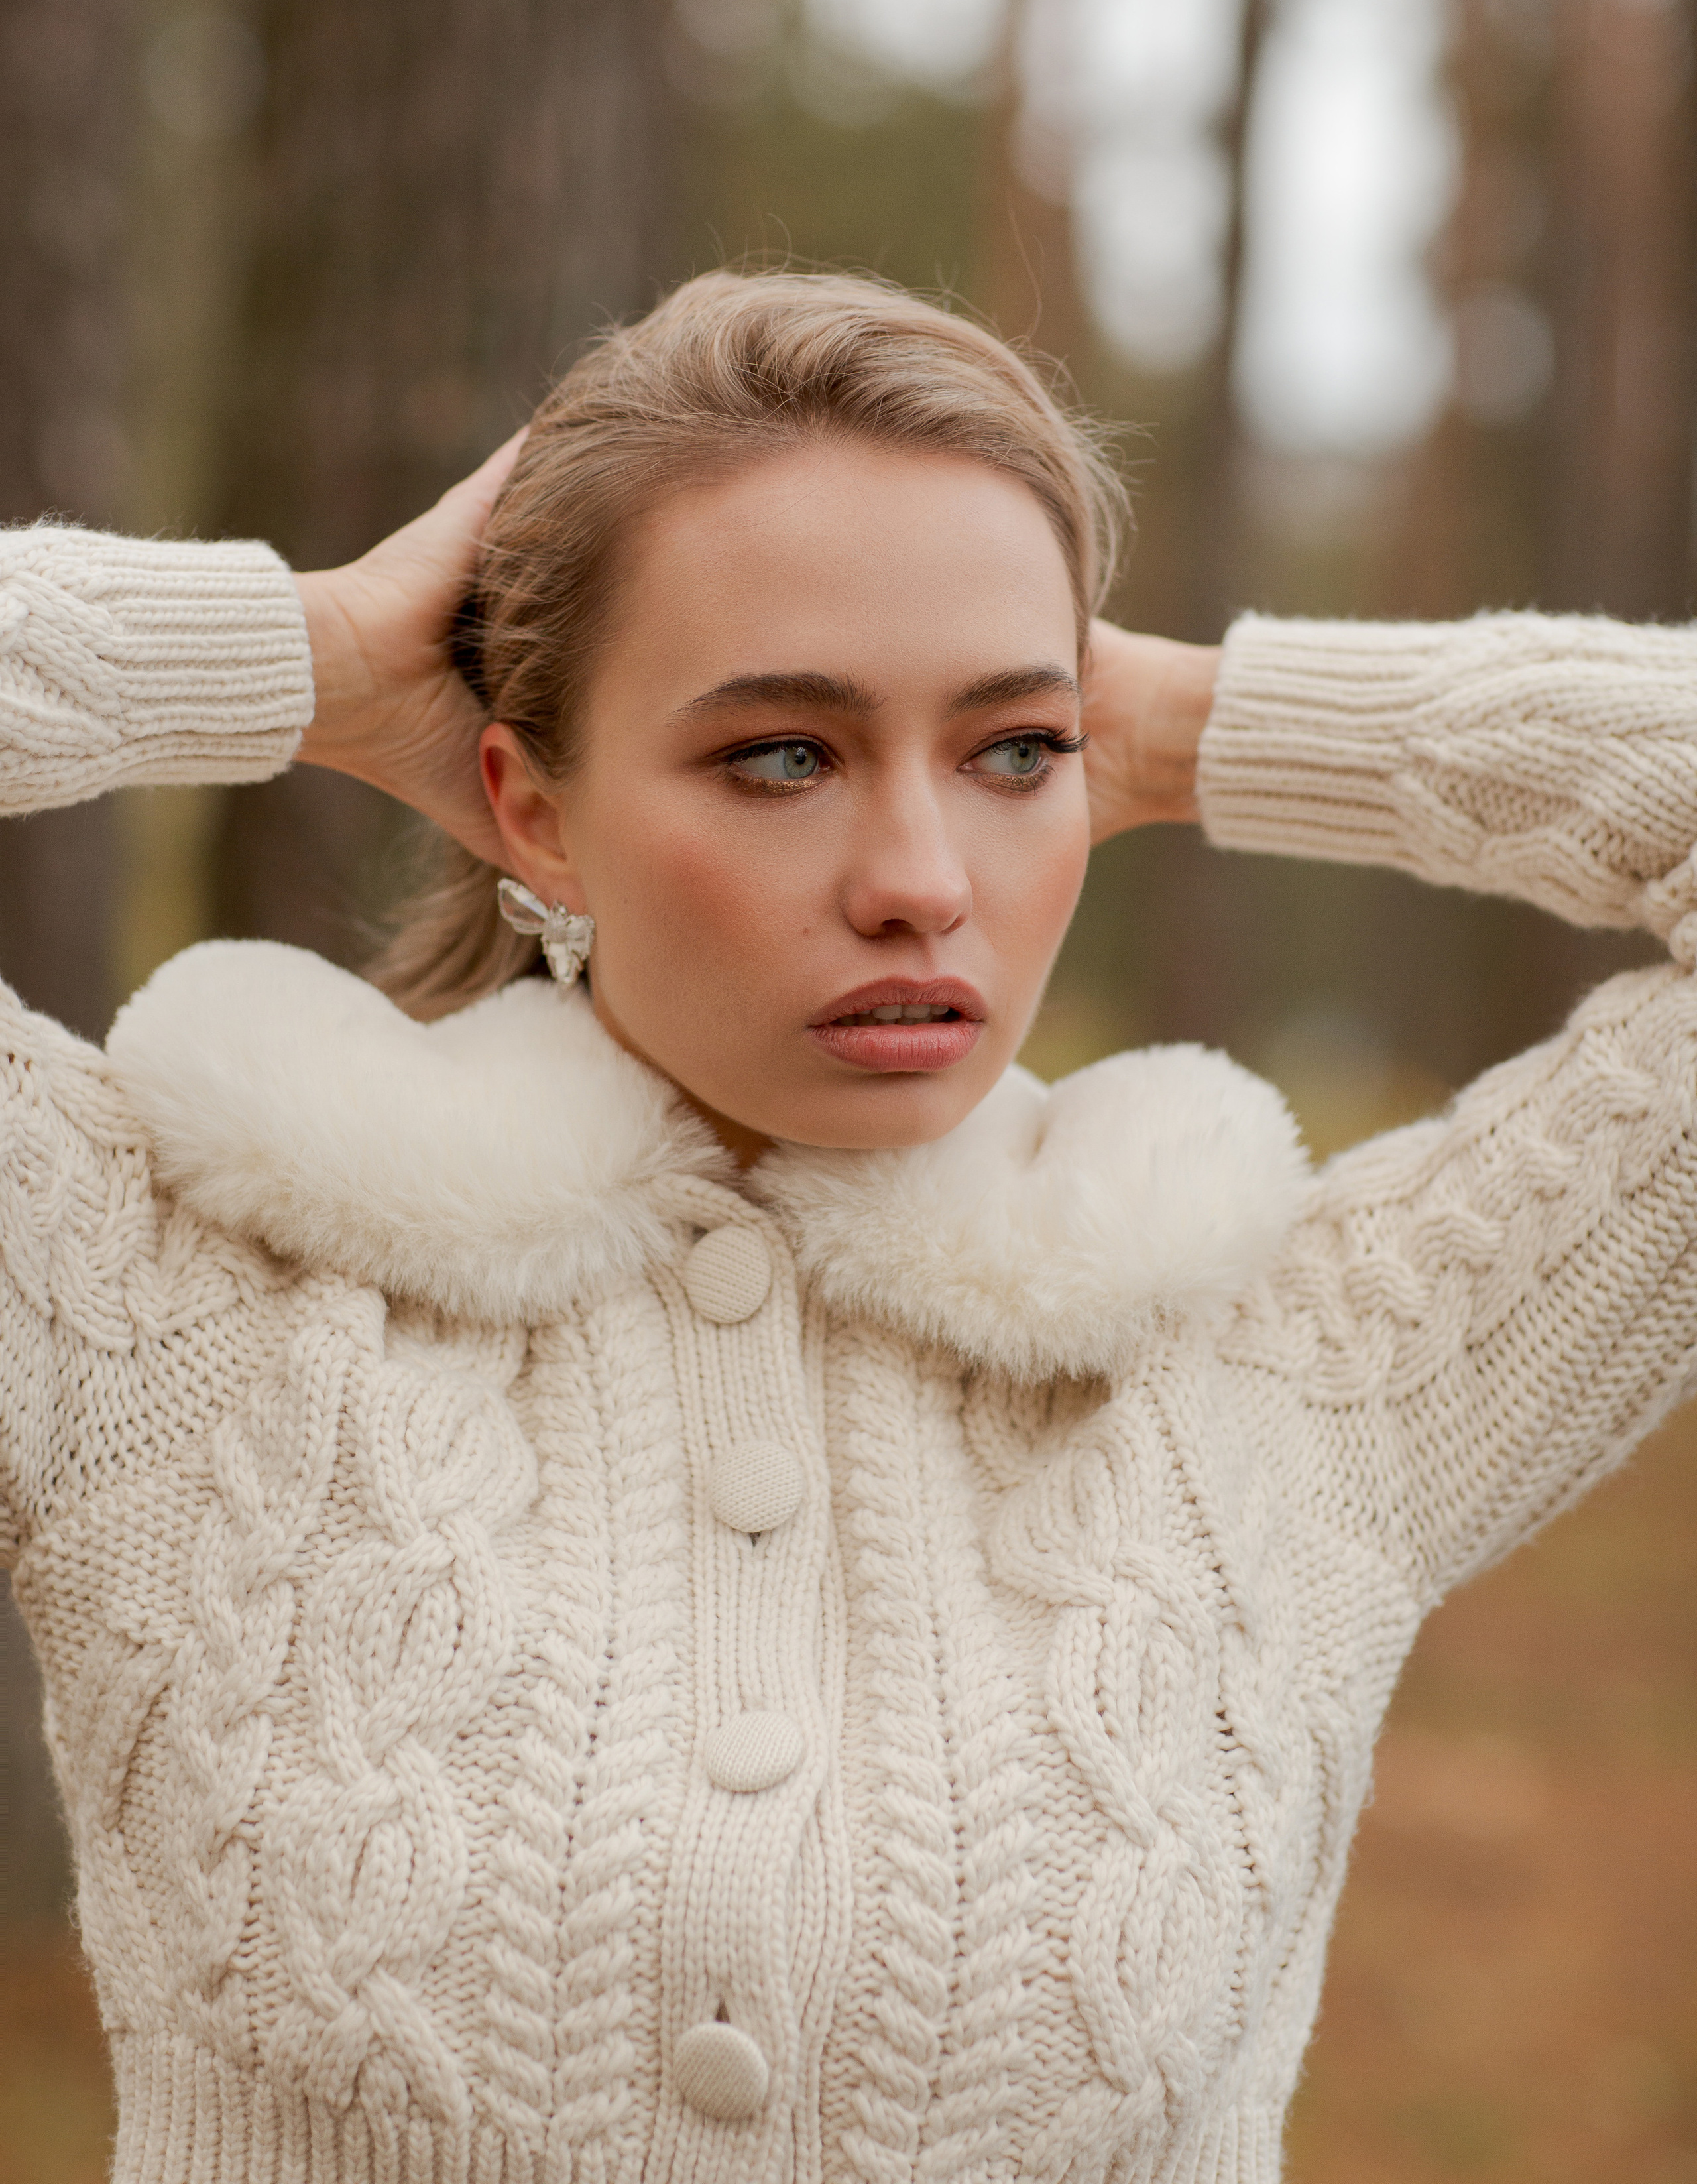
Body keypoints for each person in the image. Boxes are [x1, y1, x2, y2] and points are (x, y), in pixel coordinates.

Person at [3, 267, 1695, 2184]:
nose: (921, 880)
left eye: (1013, 754)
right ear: (530, 812)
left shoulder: (1300, 1365)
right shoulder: (156, 1300)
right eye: (783, 755)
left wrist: (1187, 724)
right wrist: (300, 656)